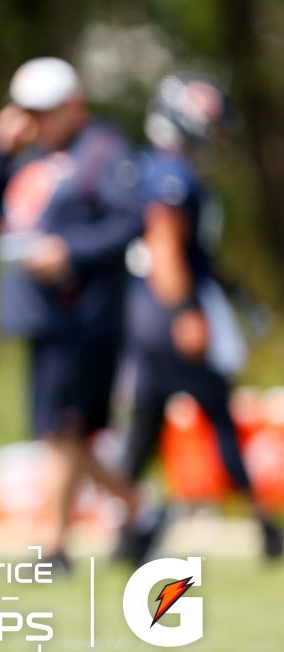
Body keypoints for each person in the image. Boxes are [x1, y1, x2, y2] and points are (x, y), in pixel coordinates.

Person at [114, 73, 282, 564]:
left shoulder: (151, 168)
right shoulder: (172, 176)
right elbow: (166, 250)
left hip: (144, 309)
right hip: (166, 309)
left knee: (146, 422)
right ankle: (265, 527)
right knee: (217, 414)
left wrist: (235, 292)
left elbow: (191, 253)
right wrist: (187, 312)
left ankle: (130, 532)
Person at [0, 57, 142, 571]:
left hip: (83, 316)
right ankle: (141, 510)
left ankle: (54, 545)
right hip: (42, 315)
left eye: (45, 111)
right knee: (66, 431)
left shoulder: (102, 153)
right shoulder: (28, 158)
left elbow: (128, 224)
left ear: (74, 106)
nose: (35, 121)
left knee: (63, 430)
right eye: (27, 111)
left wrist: (67, 251)